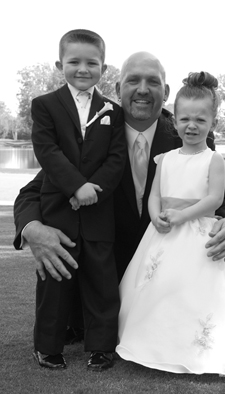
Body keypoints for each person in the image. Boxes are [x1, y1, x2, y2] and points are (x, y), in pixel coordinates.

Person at [12, 52, 225, 369]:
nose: (142, 89)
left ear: (165, 93)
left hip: (164, 290)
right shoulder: (91, 132)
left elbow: (223, 196)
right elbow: (33, 193)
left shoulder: (187, 133)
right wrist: (32, 230)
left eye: (152, 82)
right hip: (99, 289)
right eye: (133, 80)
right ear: (118, 87)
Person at [116, 72, 225, 377]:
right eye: (185, 119)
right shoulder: (164, 159)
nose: (191, 126)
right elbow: (155, 195)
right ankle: (154, 347)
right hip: (162, 235)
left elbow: (215, 200)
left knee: (194, 291)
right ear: (174, 120)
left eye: (200, 120)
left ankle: (199, 352)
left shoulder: (213, 159)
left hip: (195, 234)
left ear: (211, 123)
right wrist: (156, 215)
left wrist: (182, 216)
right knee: (159, 287)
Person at [27, 29, 127, 371]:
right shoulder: (44, 106)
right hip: (60, 213)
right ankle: (47, 346)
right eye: (74, 62)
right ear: (60, 64)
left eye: (91, 63)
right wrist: (75, 188)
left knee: (102, 283)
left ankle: (101, 347)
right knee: (55, 282)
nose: (82, 69)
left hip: (99, 212)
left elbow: (116, 159)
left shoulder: (113, 111)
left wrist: (92, 190)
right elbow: (48, 152)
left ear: (103, 67)